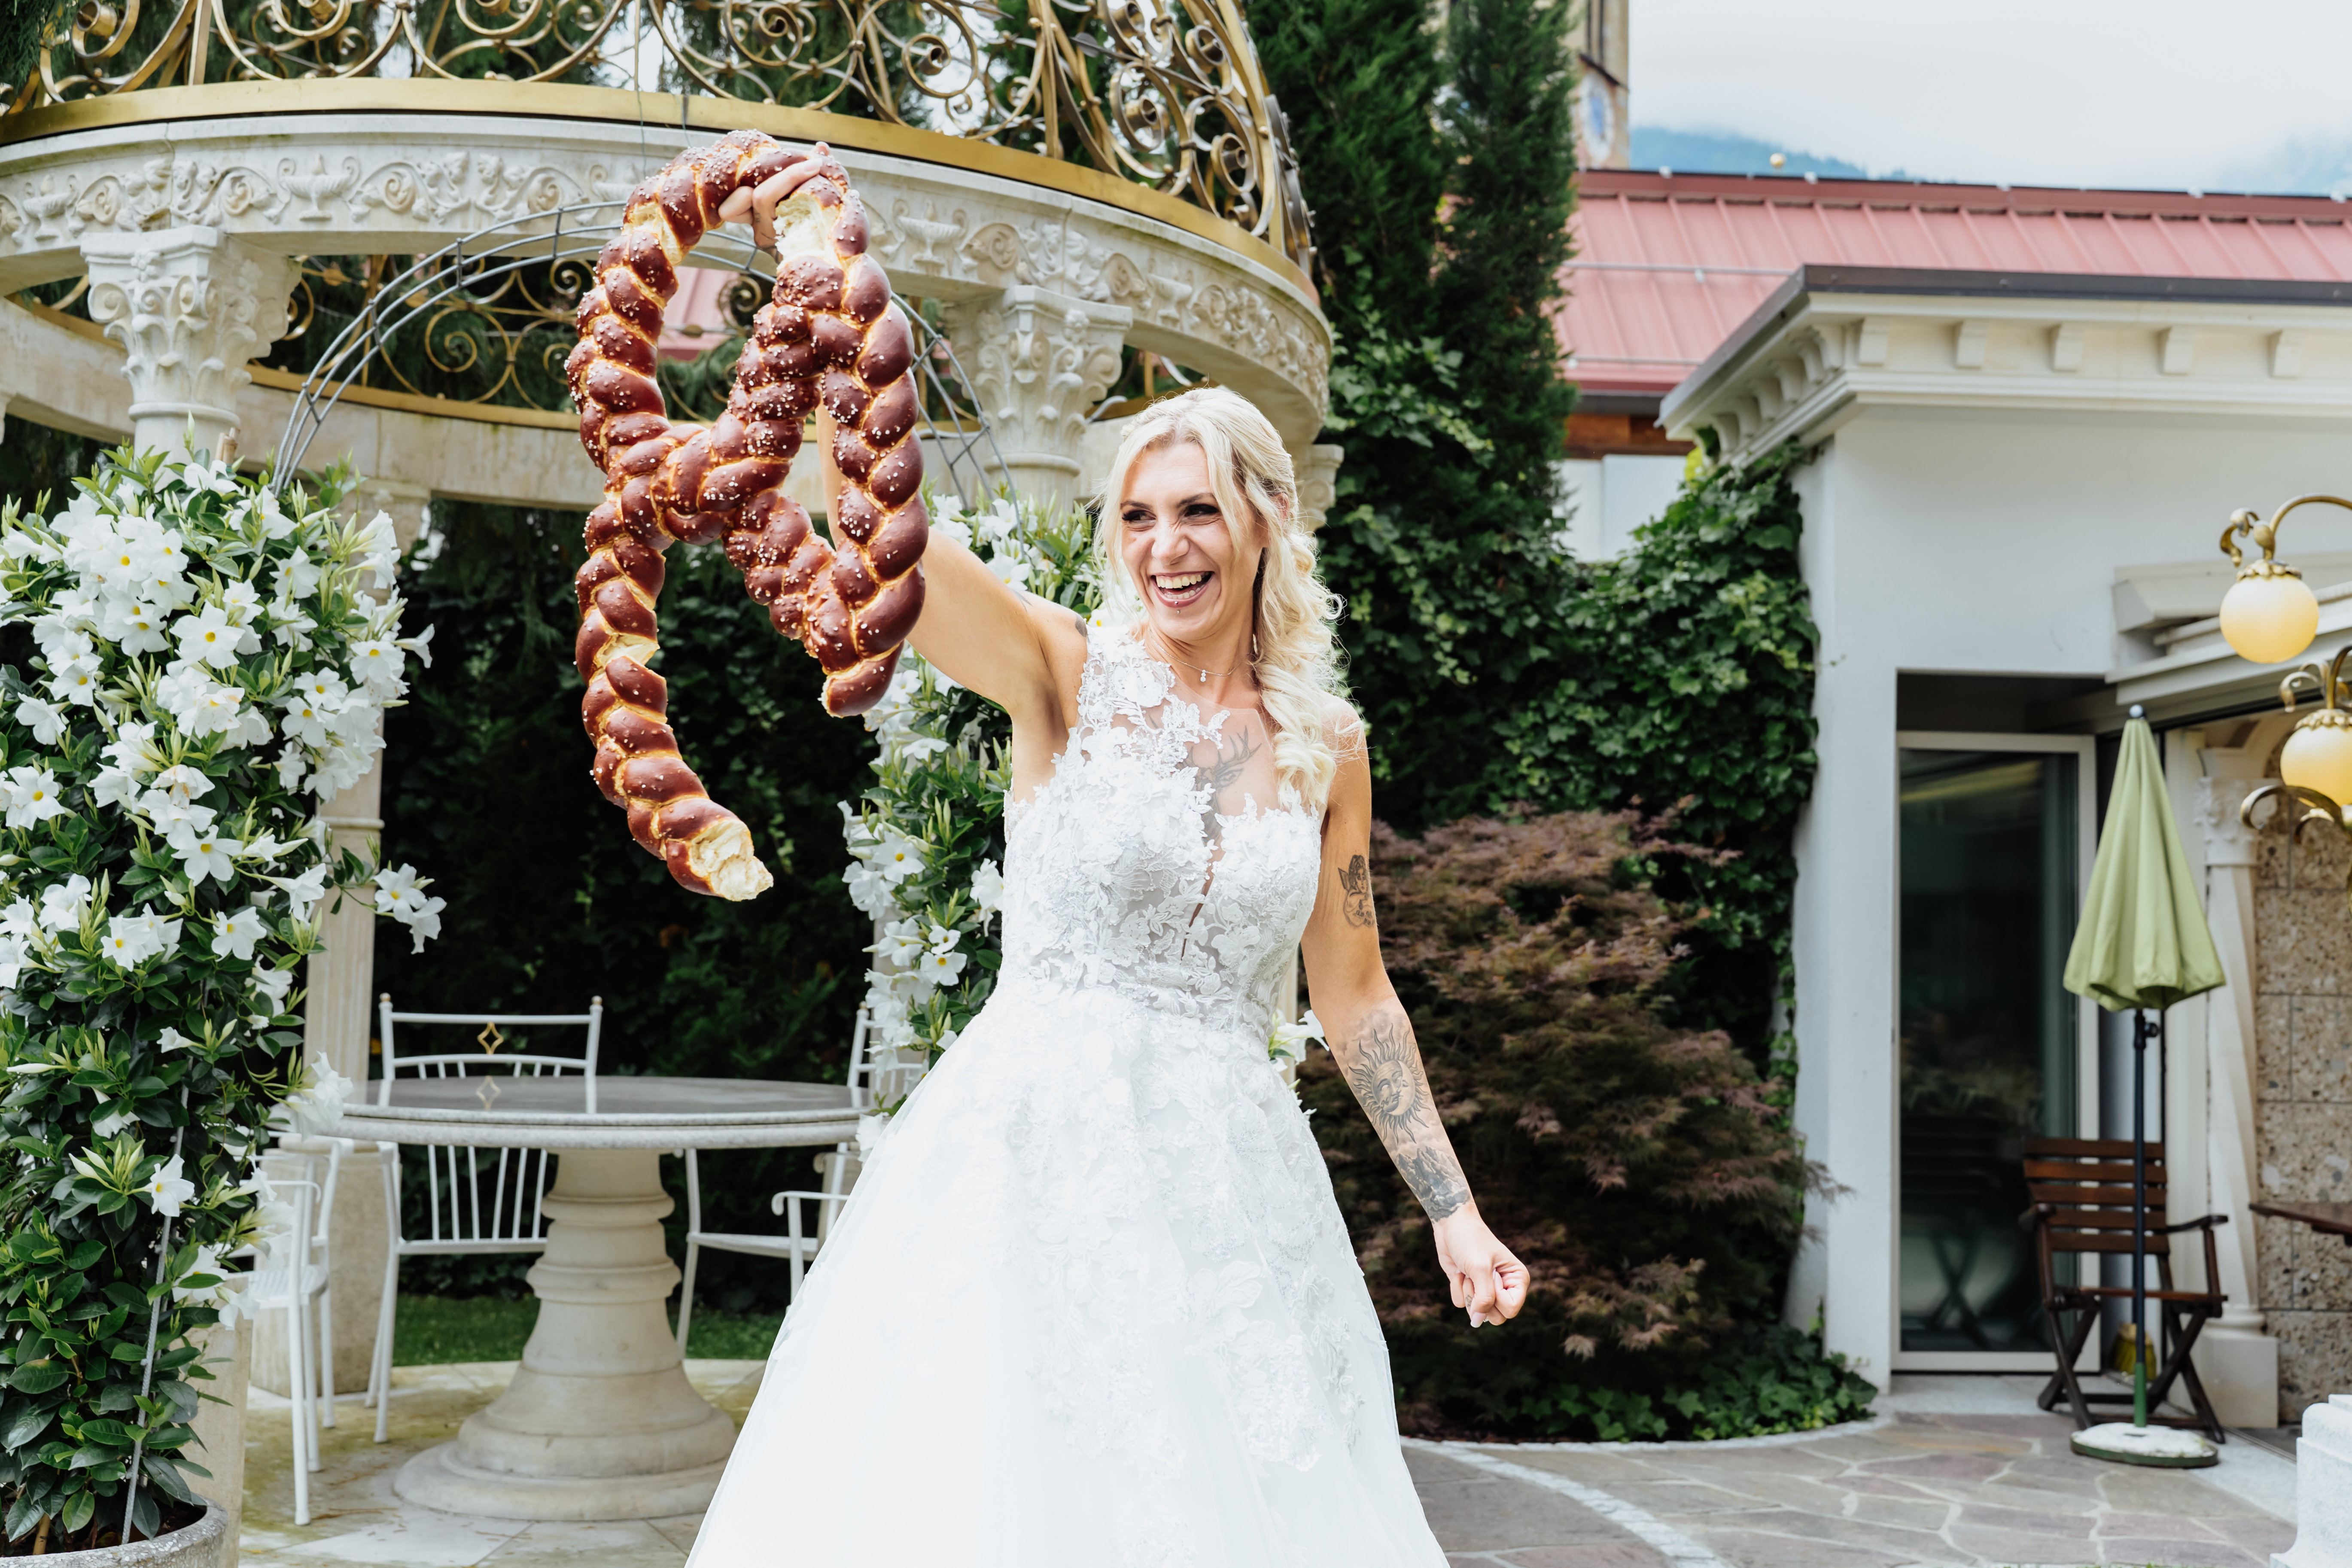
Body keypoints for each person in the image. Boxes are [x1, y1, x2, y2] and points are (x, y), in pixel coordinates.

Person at [687, 158, 1527, 1568]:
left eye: (1197, 510)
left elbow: (1358, 991)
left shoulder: (1330, 747)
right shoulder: (1061, 675)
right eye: (1137, 516)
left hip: (1228, 1190)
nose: (1165, 546)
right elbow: (874, 521)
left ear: (1263, 520)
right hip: (1032, 1163)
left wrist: (1455, 1210)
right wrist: (811, 304)